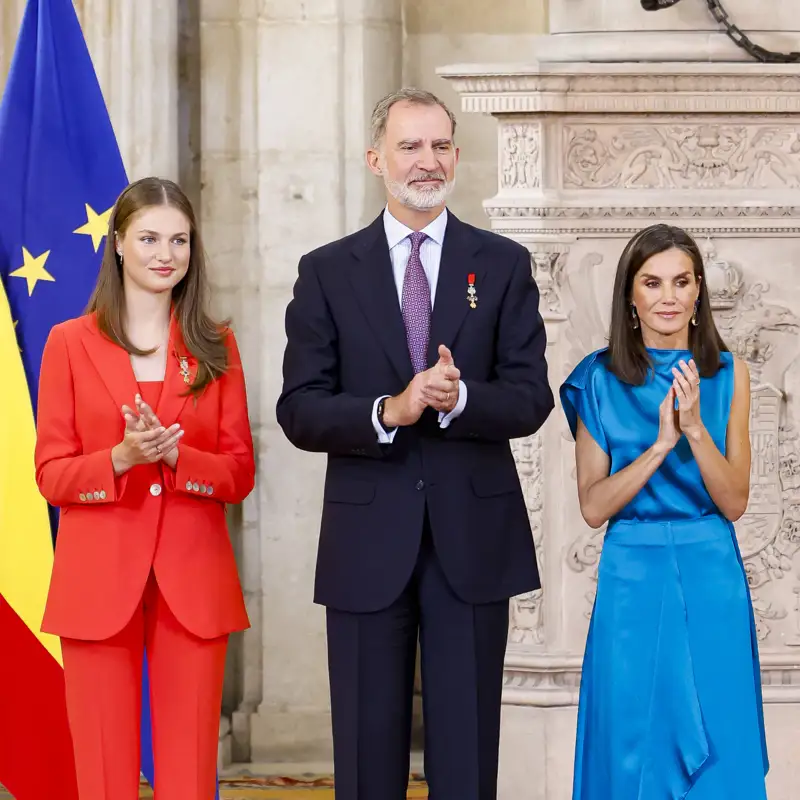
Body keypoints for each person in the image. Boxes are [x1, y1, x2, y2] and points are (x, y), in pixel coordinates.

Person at [276, 87, 554, 800]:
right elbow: (300, 410)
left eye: (439, 146)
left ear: (457, 156)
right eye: (409, 146)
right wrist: (389, 410)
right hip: (367, 542)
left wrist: (460, 398)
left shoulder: (502, 263)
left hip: (473, 540)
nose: (426, 161)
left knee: (466, 763)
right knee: (369, 764)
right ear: (377, 159)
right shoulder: (327, 271)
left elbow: (531, 397)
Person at [34, 177, 255, 800]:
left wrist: (180, 456)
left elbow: (239, 472)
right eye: (151, 238)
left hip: (193, 580)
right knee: (103, 771)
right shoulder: (69, 345)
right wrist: (120, 459)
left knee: (188, 773)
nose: (167, 253)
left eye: (180, 240)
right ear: (119, 245)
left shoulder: (217, 345)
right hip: (97, 581)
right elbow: (51, 474)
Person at [561, 224, 769, 800]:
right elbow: (593, 506)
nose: (668, 296)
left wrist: (696, 428)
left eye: (681, 281)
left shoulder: (730, 373)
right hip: (632, 576)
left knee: (721, 729)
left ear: (699, 291)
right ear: (630, 294)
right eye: (652, 283)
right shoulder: (597, 380)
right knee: (632, 738)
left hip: (711, 574)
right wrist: (657, 447)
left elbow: (734, 501)